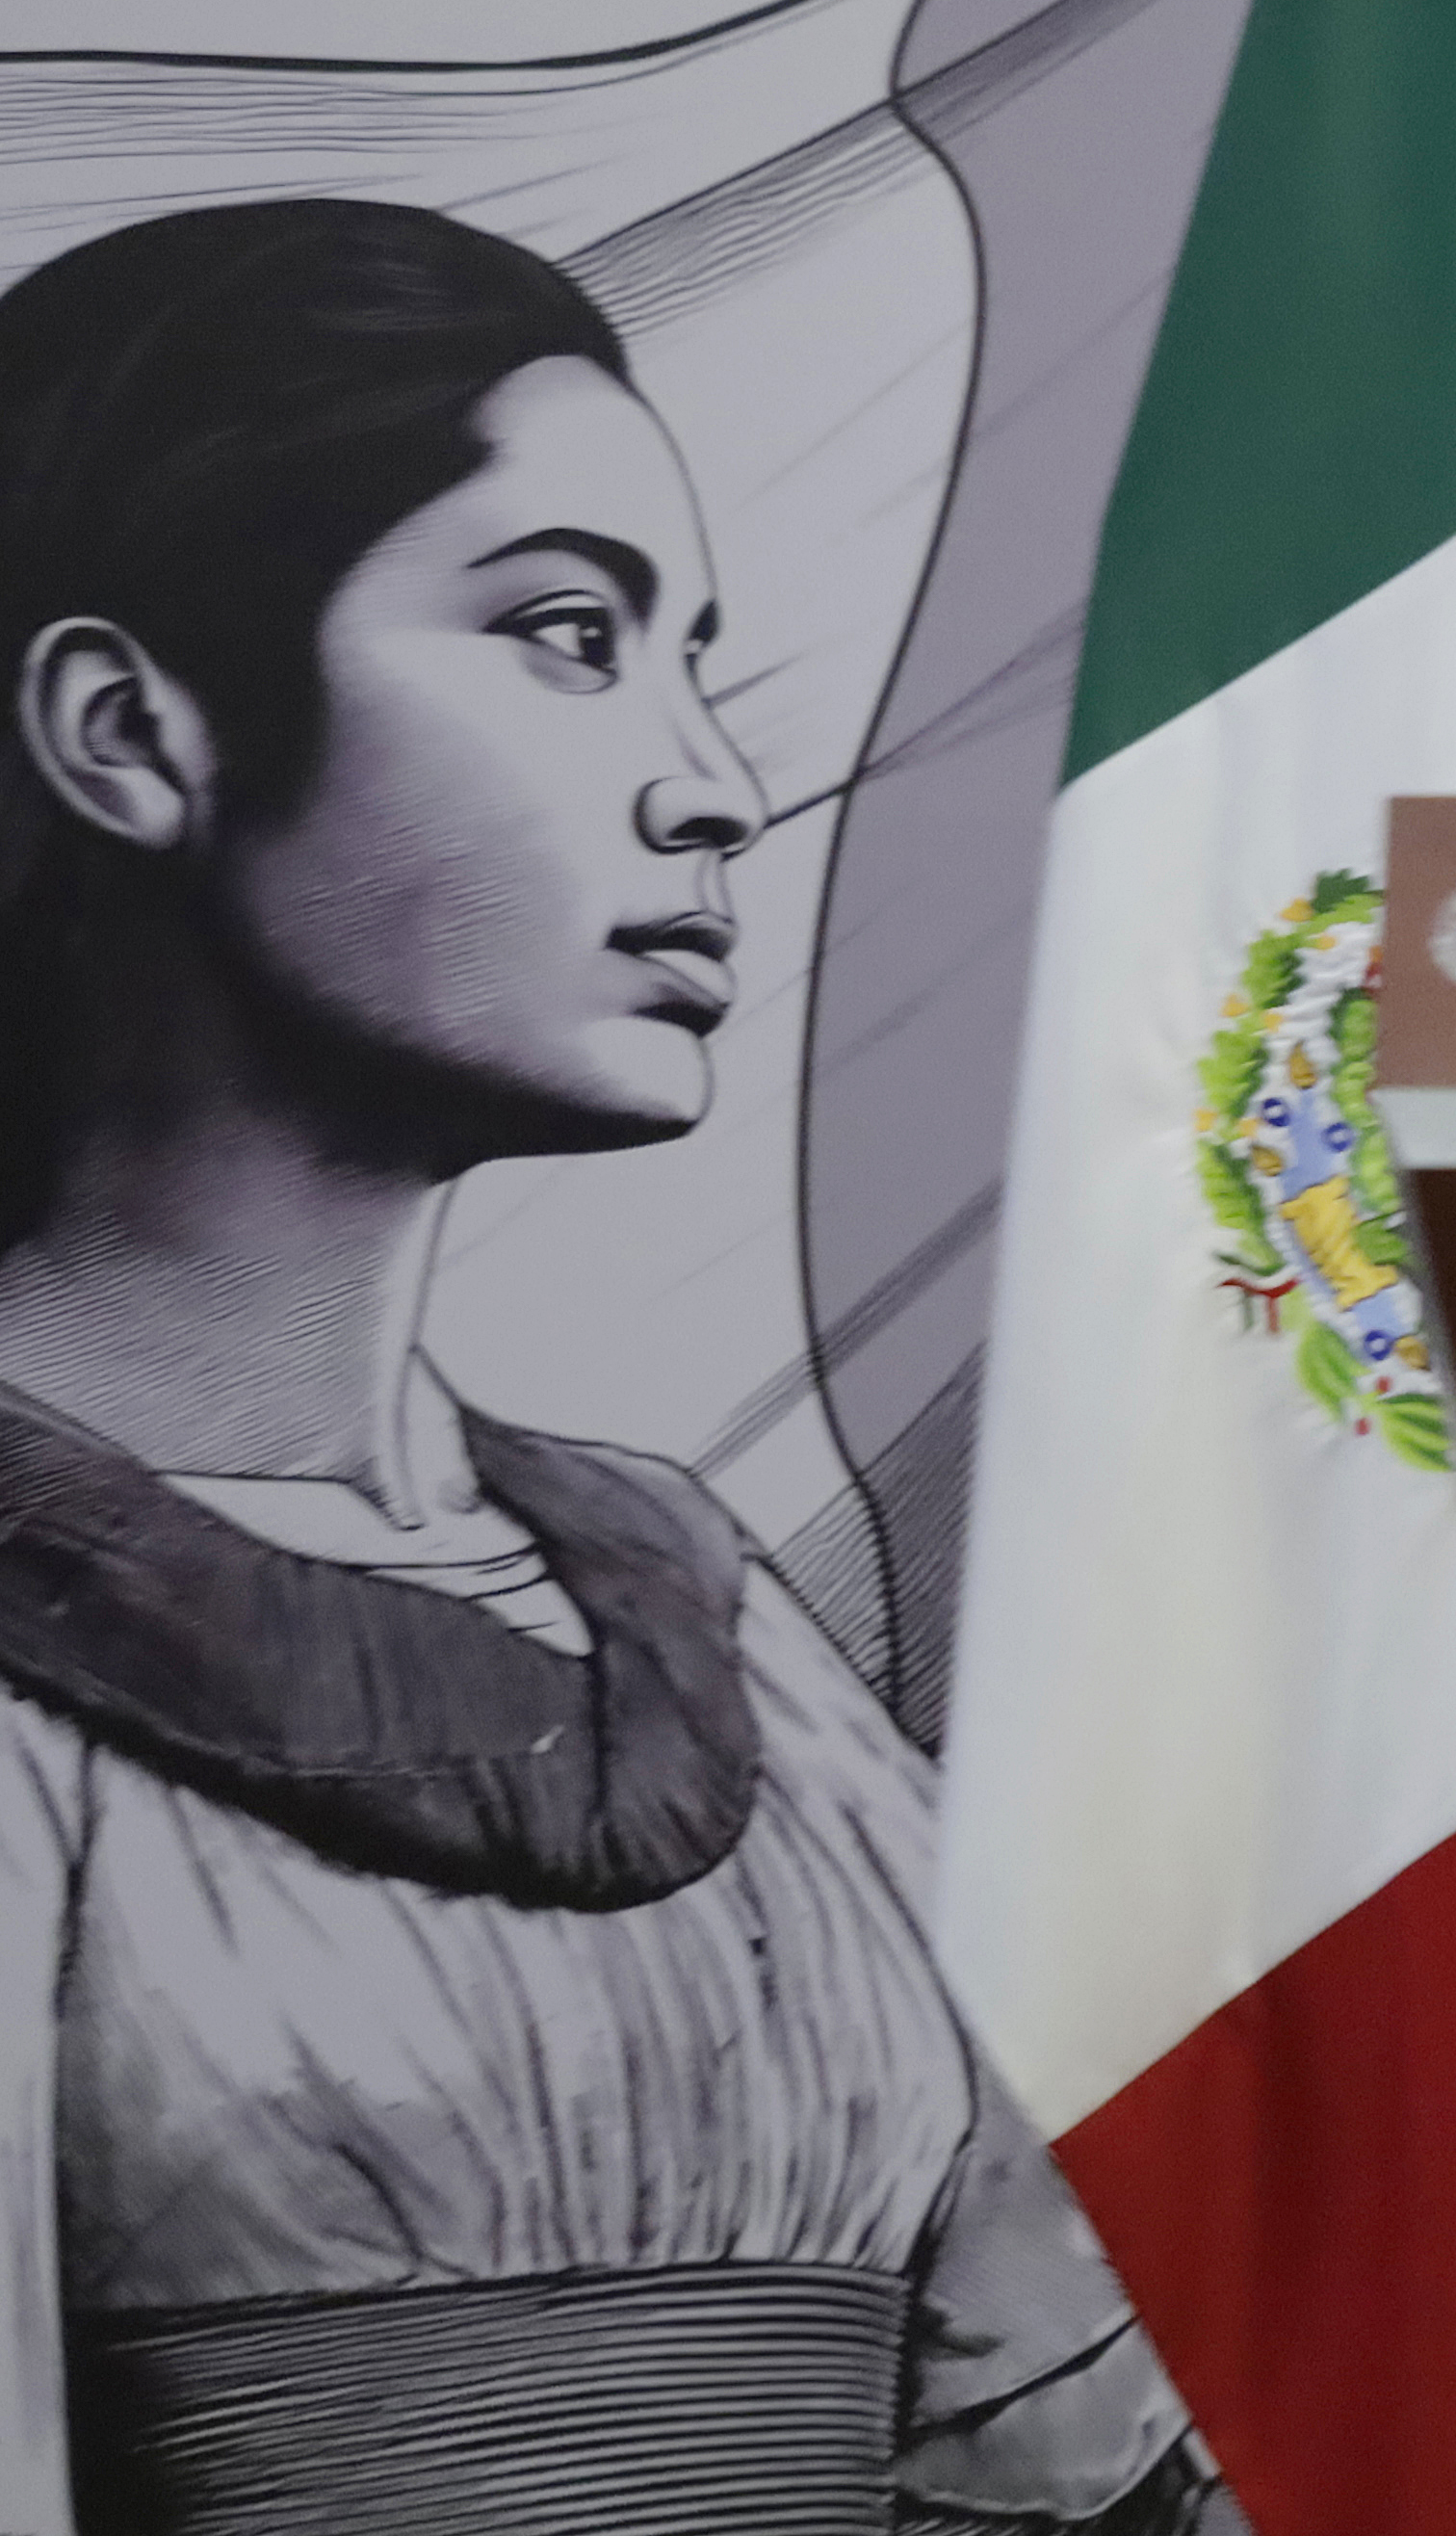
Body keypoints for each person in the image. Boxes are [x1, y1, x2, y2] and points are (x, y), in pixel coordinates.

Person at [0, 199, 1244, 2532]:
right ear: (130, 732)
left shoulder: (701, 1614)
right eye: (567, 635)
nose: (711, 785)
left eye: (693, 661)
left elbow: (1060, 2458)